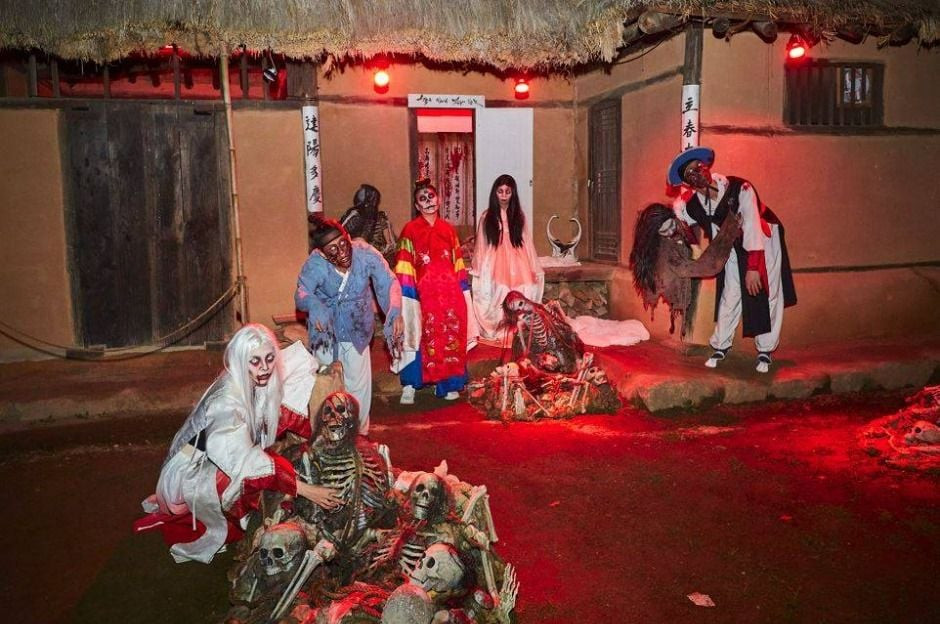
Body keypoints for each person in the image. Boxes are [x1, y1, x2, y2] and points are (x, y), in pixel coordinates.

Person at [137, 324, 343, 564]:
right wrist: (306, 490)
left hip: (213, 451)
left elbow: (294, 369)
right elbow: (244, 461)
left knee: (275, 454)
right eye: (255, 361)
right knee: (262, 469)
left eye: (269, 358)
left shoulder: (256, 374)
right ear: (241, 360)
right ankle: (222, 516)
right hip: (191, 466)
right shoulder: (226, 401)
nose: (265, 367)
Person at [668, 147, 796, 373]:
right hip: (730, 244)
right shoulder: (694, 204)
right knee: (731, 291)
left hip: (763, 239)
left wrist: (753, 267)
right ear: (688, 182)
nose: (697, 173)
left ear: (706, 167)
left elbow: (753, 225)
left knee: (767, 291)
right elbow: (682, 222)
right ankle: (720, 345)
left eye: (698, 167)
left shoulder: (740, 188)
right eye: (690, 173)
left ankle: (765, 349)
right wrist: (684, 235)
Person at [295, 218, 403, 433]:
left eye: (343, 243)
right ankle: (327, 436)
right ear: (323, 254)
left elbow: (388, 282)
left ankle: (359, 435)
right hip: (325, 332)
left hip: (357, 328)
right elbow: (302, 292)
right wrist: (314, 305)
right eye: (333, 249)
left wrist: (394, 311)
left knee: (358, 386)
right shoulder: (315, 264)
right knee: (325, 385)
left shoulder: (365, 254)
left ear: (348, 238)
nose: (342, 252)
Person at [393, 180, 478, 404]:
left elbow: (458, 263)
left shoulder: (448, 229)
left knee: (450, 336)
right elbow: (404, 264)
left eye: (431, 196)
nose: (428, 201)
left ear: (439, 199)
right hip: (422, 293)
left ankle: (449, 384)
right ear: (417, 205)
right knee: (416, 334)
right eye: (423, 198)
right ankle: (410, 384)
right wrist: (408, 294)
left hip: (450, 293)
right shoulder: (410, 230)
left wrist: (463, 290)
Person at [629, 202, 742, 337]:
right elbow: (708, 267)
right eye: (665, 231)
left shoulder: (675, 226)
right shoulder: (667, 254)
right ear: (655, 234)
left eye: (672, 225)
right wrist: (729, 230)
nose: (671, 231)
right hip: (677, 275)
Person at [471, 174, 544, 343]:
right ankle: (501, 328)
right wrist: (478, 268)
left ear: (513, 193)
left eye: (507, 192)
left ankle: (519, 329)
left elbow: (527, 243)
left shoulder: (519, 216)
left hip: (519, 259)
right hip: (495, 260)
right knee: (499, 291)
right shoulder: (486, 217)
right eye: (500, 191)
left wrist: (534, 267)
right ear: (495, 193)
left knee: (525, 288)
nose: (504, 195)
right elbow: (481, 245)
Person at [339, 183, 398, 266]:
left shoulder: (381, 218)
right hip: (357, 260)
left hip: (379, 261)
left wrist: (380, 255)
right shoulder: (354, 215)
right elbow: (340, 234)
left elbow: (391, 245)